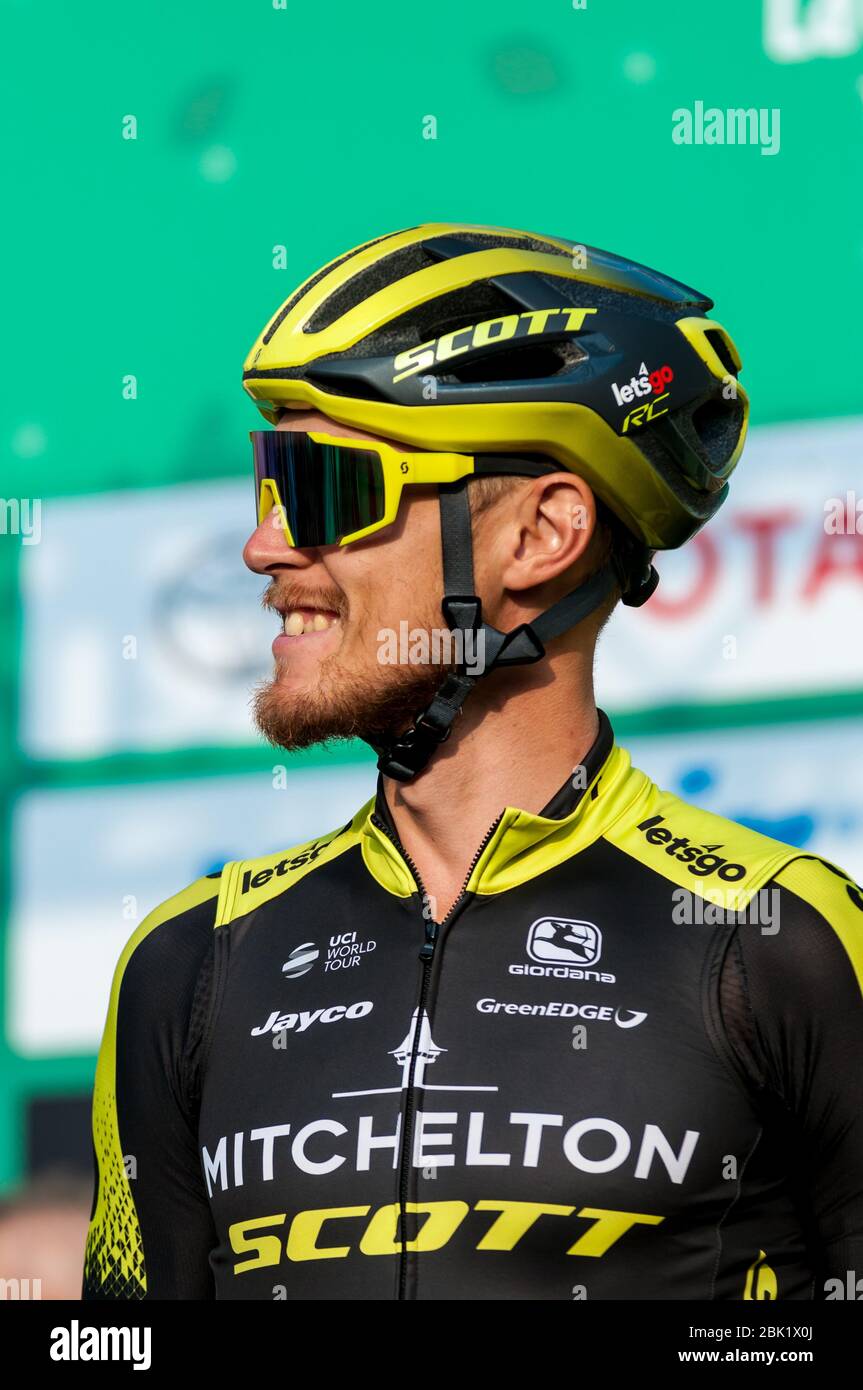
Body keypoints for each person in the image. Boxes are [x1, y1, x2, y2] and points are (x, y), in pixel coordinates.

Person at [82, 224, 863, 1301]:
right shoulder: (187, 965)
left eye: (323, 486)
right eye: (270, 482)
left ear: (541, 535)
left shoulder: (782, 941)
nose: (265, 546)